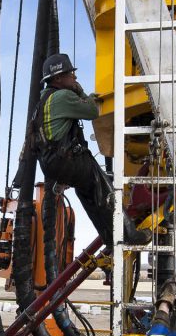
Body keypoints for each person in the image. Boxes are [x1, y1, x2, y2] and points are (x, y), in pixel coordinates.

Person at [33, 52, 149, 246]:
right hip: (66, 160)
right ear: (59, 78)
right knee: (103, 187)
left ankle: (110, 239)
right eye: (71, 74)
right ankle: (129, 235)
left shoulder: (44, 99)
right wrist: (81, 93)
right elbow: (92, 111)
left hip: (50, 163)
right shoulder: (64, 96)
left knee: (88, 192)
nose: (75, 77)